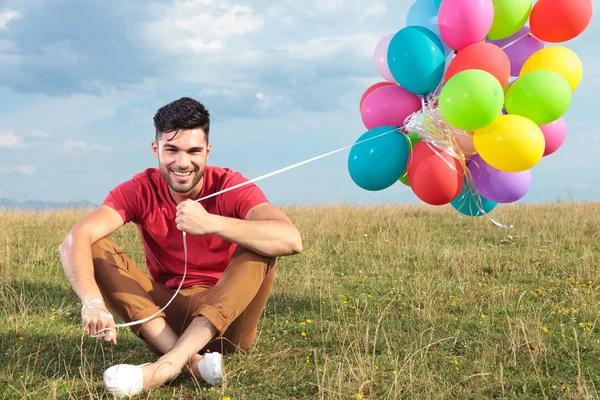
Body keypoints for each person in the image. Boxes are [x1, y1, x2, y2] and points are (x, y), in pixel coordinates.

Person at [58, 97, 303, 397]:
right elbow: (75, 239)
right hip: (165, 322)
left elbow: (291, 239)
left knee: (261, 244)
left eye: (193, 151)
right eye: (171, 150)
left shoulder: (230, 184)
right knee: (97, 246)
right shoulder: (140, 188)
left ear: (208, 151)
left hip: (228, 323)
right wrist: (92, 303)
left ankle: (167, 367)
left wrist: (212, 223)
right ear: (155, 149)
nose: (183, 163)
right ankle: (193, 363)